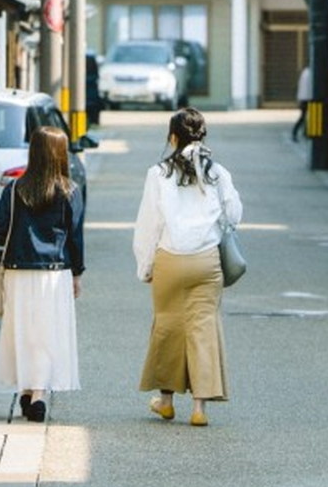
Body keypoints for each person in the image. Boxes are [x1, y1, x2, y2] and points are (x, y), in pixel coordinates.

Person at [133, 107, 242, 427]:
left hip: (169, 257)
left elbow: (149, 223)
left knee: (168, 326)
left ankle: (165, 402)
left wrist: (145, 264)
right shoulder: (217, 172)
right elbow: (233, 214)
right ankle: (199, 409)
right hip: (206, 261)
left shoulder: (159, 174)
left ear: (172, 137)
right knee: (203, 329)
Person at [0, 126, 85, 422]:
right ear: (60, 154)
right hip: (55, 273)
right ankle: (39, 393)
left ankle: (26, 391)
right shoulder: (69, 191)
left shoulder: (16, 188)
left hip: (18, 271)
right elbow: (75, 237)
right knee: (46, 333)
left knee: (23, 332)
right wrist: (77, 274)